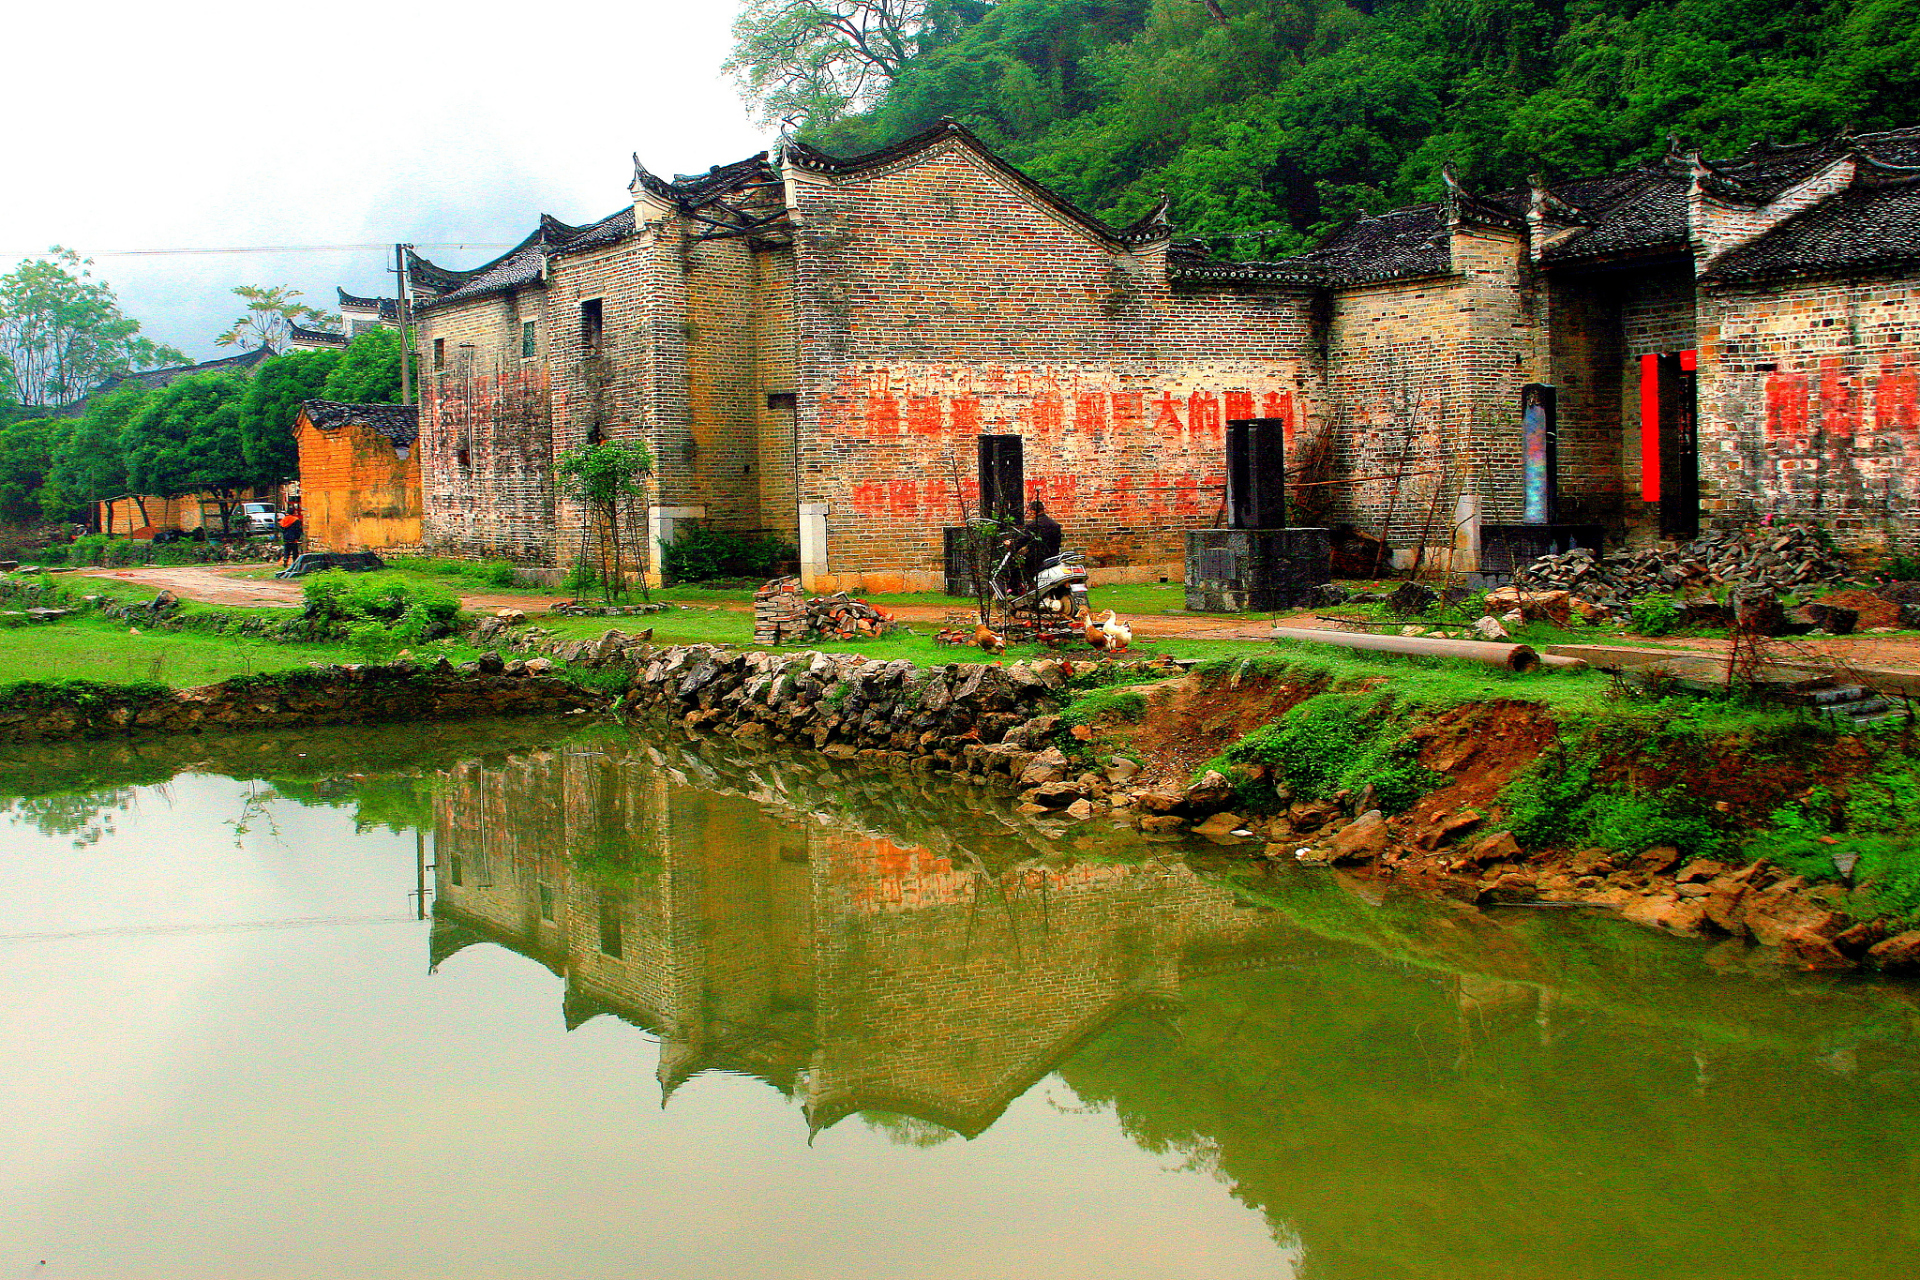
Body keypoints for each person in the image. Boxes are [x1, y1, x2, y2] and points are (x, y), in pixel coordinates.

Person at [1022, 499, 1063, 587]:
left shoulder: (1032, 525)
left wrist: (1013, 546)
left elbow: (1023, 539)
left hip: (1036, 559)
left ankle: (1021, 589)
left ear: (1033, 511)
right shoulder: (1055, 525)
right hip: (1053, 557)